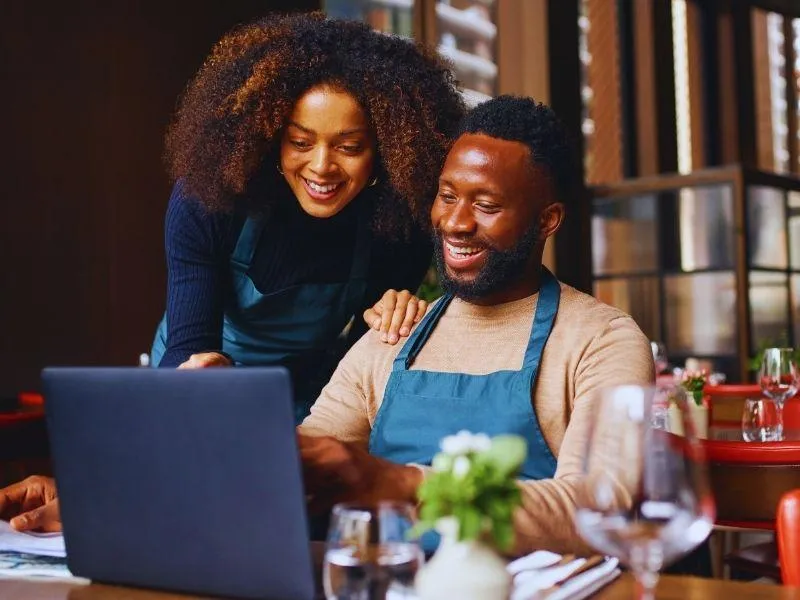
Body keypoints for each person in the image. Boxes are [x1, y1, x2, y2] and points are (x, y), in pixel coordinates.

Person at [0, 97, 652, 555]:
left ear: (548, 220)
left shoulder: (600, 339)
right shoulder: (393, 335)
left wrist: (394, 484)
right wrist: (102, 498)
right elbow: (277, 475)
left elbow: (600, 507)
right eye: (447, 196)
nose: (454, 223)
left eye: (486, 205)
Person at [149, 12, 466, 421]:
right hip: (200, 387)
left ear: (386, 152)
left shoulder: (400, 225)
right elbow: (186, 345)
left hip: (308, 396)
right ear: (271, 138)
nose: (321, 167)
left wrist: (392, 321)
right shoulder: (210, 200)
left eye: (349, 147)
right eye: (300, 141)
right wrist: (201, 370)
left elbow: (361, 363)